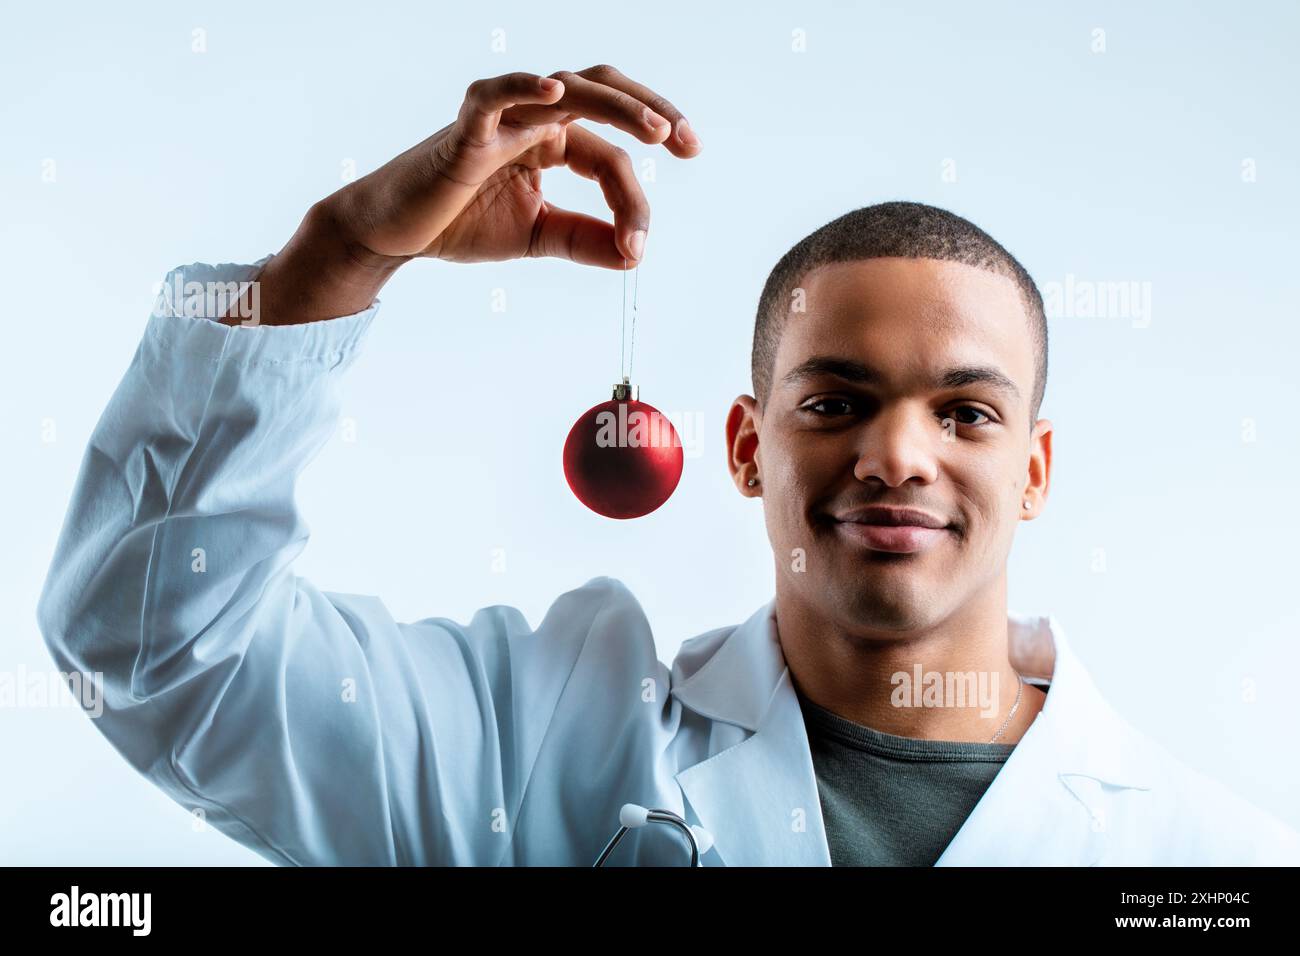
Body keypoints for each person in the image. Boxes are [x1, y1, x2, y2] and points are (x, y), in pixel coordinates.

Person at [37, 65, 1300, 866]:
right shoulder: (534, 750)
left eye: (966, 413)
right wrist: (341, 252)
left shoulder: (1203, 861)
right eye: (836, 399)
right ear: (749, 447)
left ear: (1034, 469)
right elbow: (160, 653)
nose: (895, 454)